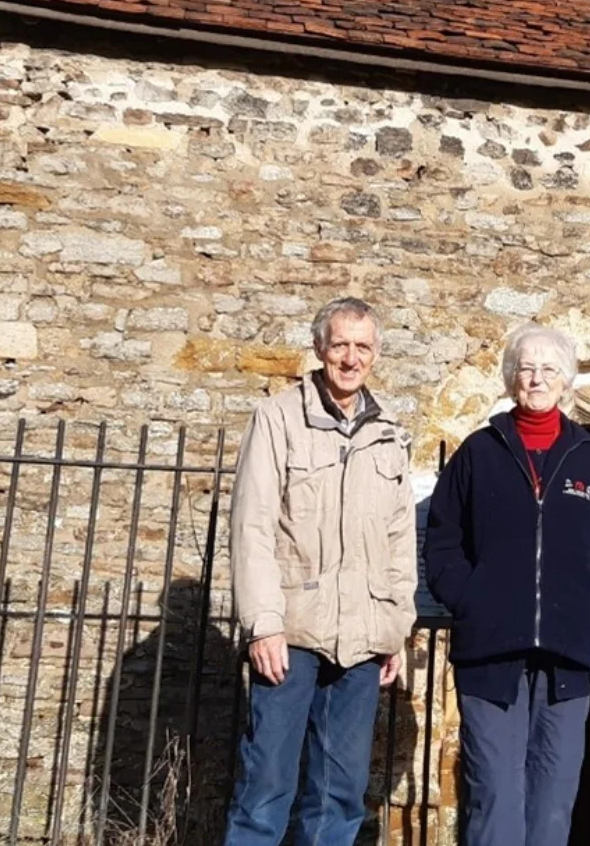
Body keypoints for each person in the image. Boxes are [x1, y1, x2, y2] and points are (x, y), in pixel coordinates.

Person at [423, 324, 590, 846]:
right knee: (494, 795)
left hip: (568, 654)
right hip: (490, 656)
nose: (536, 378)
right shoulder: (478, 452)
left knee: (552, 802)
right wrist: (469, 599)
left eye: (547, 369)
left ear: (565, 381)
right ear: (511, 378)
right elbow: (443, 539)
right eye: (526, 368)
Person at [224, 297, 418, 846]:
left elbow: (400, 542)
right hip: (291, 634)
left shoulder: (390, 436)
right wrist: (263, 623)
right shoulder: (277, 417)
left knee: (339, 796)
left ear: (375, 355)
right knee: (265, 789)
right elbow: (253, 526)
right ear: (319, 349)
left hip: (362, 643)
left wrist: (394, 631)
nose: (351, 358)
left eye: (362, 347)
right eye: (340, 345)